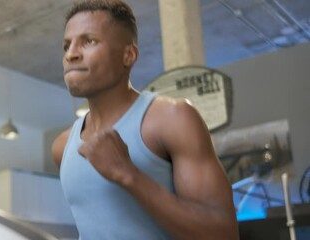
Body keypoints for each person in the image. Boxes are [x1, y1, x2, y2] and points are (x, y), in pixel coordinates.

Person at [52, 0, 239, 239]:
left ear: (128, 55)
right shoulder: (62, 146)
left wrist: (128, 174)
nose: (71, 54)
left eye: (89, 41)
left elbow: (223, 234)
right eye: (67, 46)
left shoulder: (172, 119)